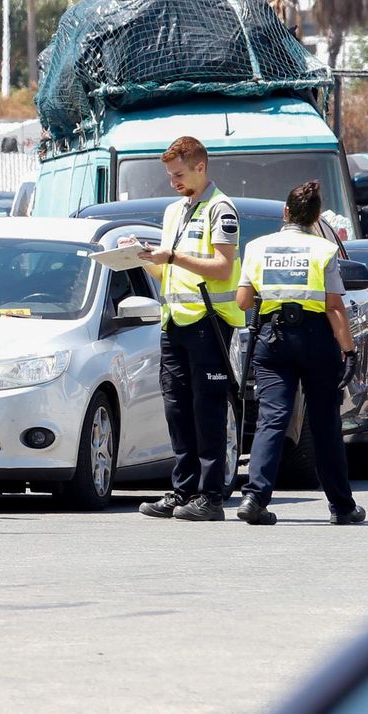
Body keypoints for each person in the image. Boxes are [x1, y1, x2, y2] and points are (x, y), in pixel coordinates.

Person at [234, 181, 365, 526]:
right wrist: (349, 351)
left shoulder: (257, 247)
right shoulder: (323, 250)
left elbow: (243, 301)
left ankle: (254, 497)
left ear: (286, 212)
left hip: (273, 339)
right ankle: (342, 506)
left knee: (272, 418)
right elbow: (334, 306)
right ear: (316, 217)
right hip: (315, 339)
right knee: (324, 423)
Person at [133, 136, 243, 522]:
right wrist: (141, 257)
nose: (173, 181)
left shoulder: (221, 208)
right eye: (169, 175)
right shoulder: (174, 211)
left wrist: (173, 256)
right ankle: (183, 491)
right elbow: (167, 272)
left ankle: (210, 497)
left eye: (179, 174)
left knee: (208, 408)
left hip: (208, 323)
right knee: (176, 408)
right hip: (175, 322)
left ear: (201, 167)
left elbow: (223, 268)